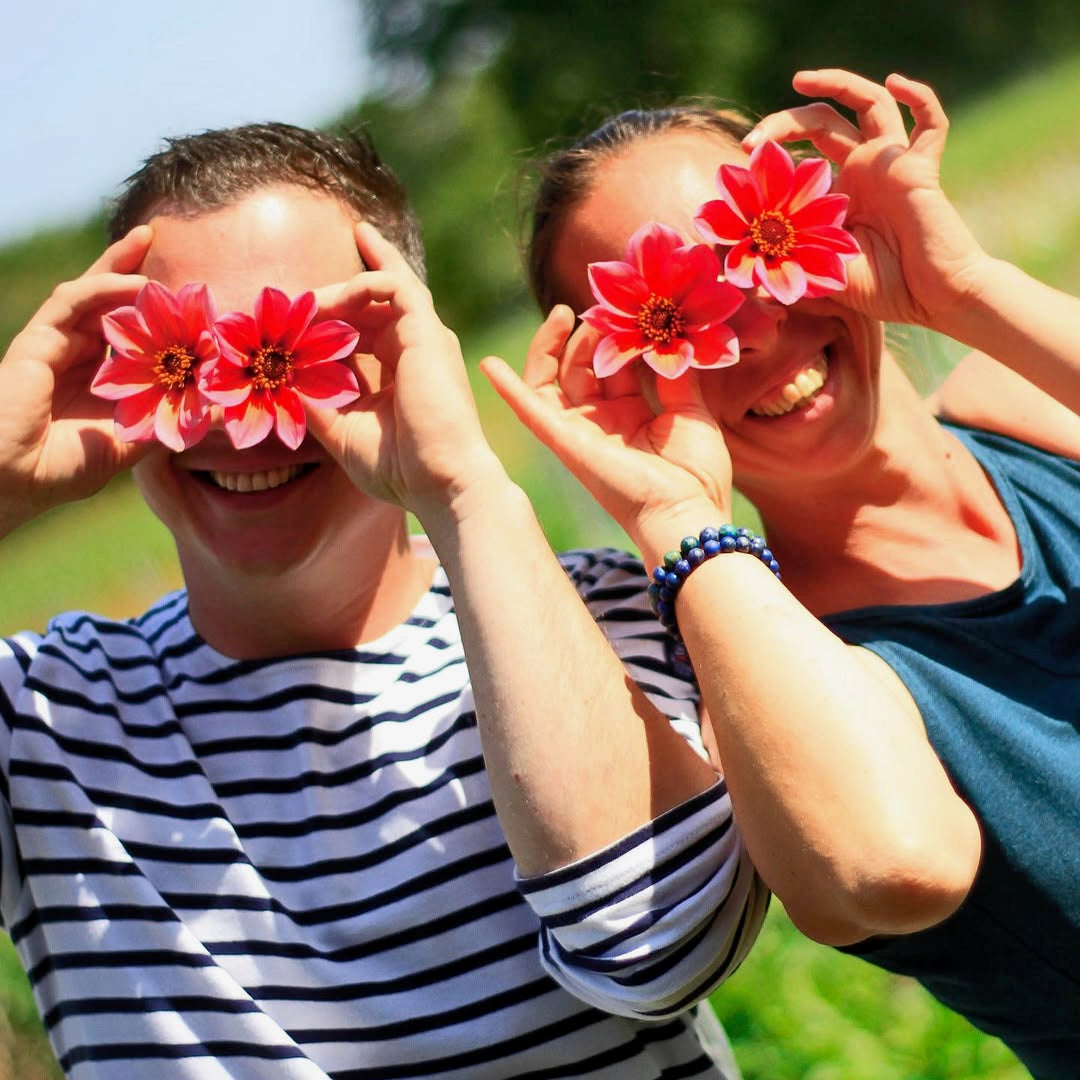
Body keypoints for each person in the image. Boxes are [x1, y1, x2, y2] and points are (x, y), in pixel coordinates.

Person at [0, 121, 768, 1078]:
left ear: (411, 350)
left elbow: (651, 944)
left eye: (296, 347)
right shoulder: (42, 715)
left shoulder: (593, 621)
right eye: (188, 357)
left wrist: (462, 490)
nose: (244, 418)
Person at [482, 69, 1080, 1078]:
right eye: (676, 316)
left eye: (753, 255)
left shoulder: (1028, 404)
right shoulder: (777, 687)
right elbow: (887, 866)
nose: (754, 330)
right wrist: (674, 516)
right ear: (612, 379)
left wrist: (963, 287)